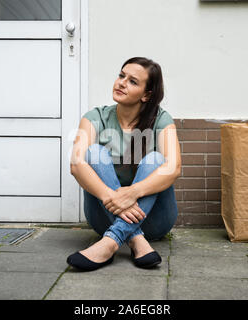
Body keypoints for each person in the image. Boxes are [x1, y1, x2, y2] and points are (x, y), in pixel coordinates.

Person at [67, 57, 181, 271]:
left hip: (155, 221)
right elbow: (76, 165)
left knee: (156, 160)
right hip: (104, 216)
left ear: (147, 95)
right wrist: (111, 197)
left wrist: (133, 192)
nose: (121, 83)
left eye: (132, 81)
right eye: (121, 75)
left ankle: (110, 242)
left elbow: (174, 167)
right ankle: (135, 239)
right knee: (93, 153)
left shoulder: (161, 119)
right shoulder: (95, 117)